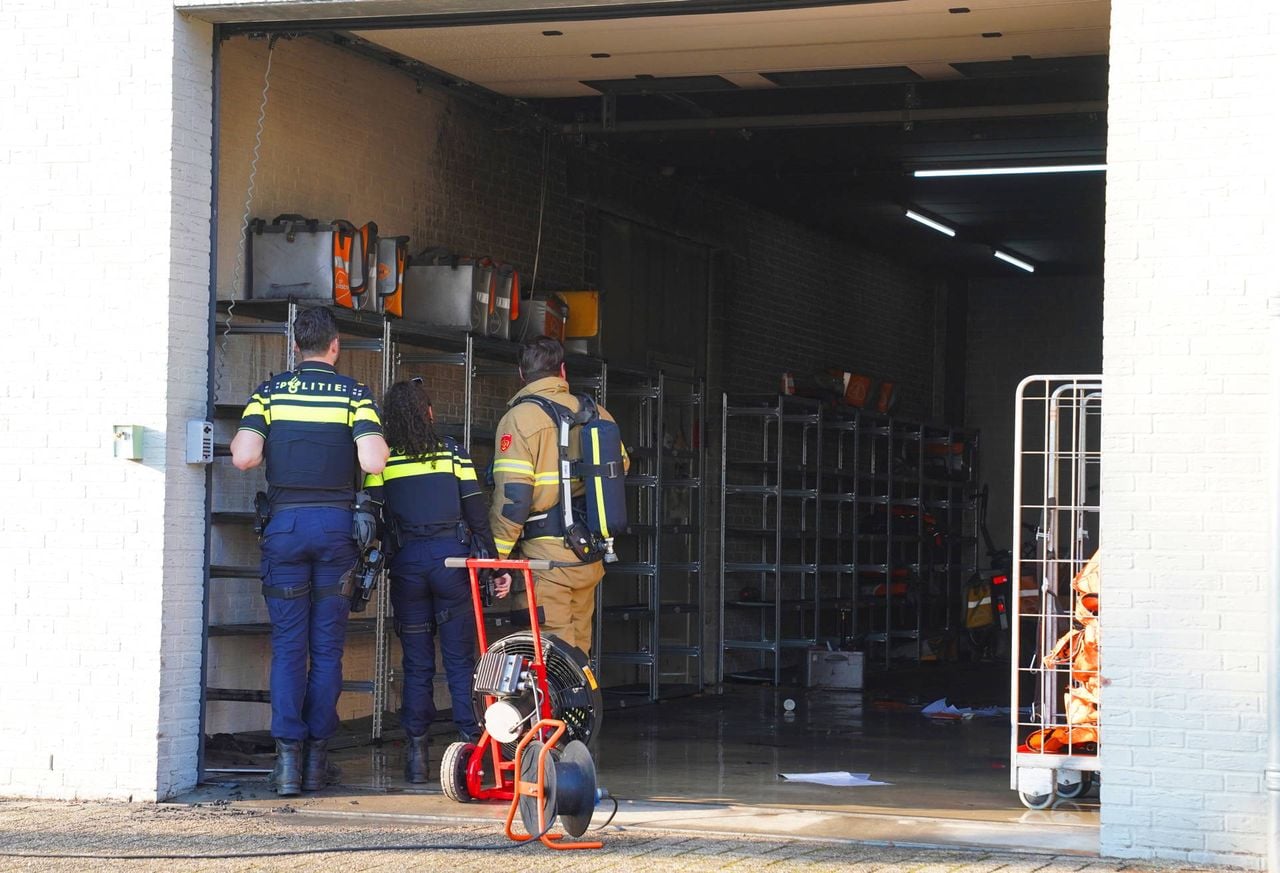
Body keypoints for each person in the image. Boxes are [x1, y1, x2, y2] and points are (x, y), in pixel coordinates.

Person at [229, 306, 389, 797]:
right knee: (326, 650)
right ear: (335, 347)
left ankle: (286, 768)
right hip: (336, 528)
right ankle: (318, 762)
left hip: (286, 527)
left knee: (288, 649)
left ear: (295, 347)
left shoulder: (270, 394)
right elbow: (372, 459)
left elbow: (244, 456)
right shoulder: (354, 395)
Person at [363, 379, 511, 783]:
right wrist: (495, 567)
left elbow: (375, 519)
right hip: (453, 564)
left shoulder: (384, 461)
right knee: (462, 662)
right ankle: (472, 752)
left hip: (408, 566)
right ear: (428, 413)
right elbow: (477, 514)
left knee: (417, 665)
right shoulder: (451, 453)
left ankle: (416, 757)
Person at [488, 335, 627, 655]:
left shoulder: (519, 419)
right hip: (589, 555)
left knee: (553, 658)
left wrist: (498, 557)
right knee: (580, 657)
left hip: (546, 562)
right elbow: (621, 467)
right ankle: (583, 705)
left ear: (522, 375)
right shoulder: (599, 414)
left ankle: (562, 705)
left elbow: (513, 499)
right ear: (562, 371)